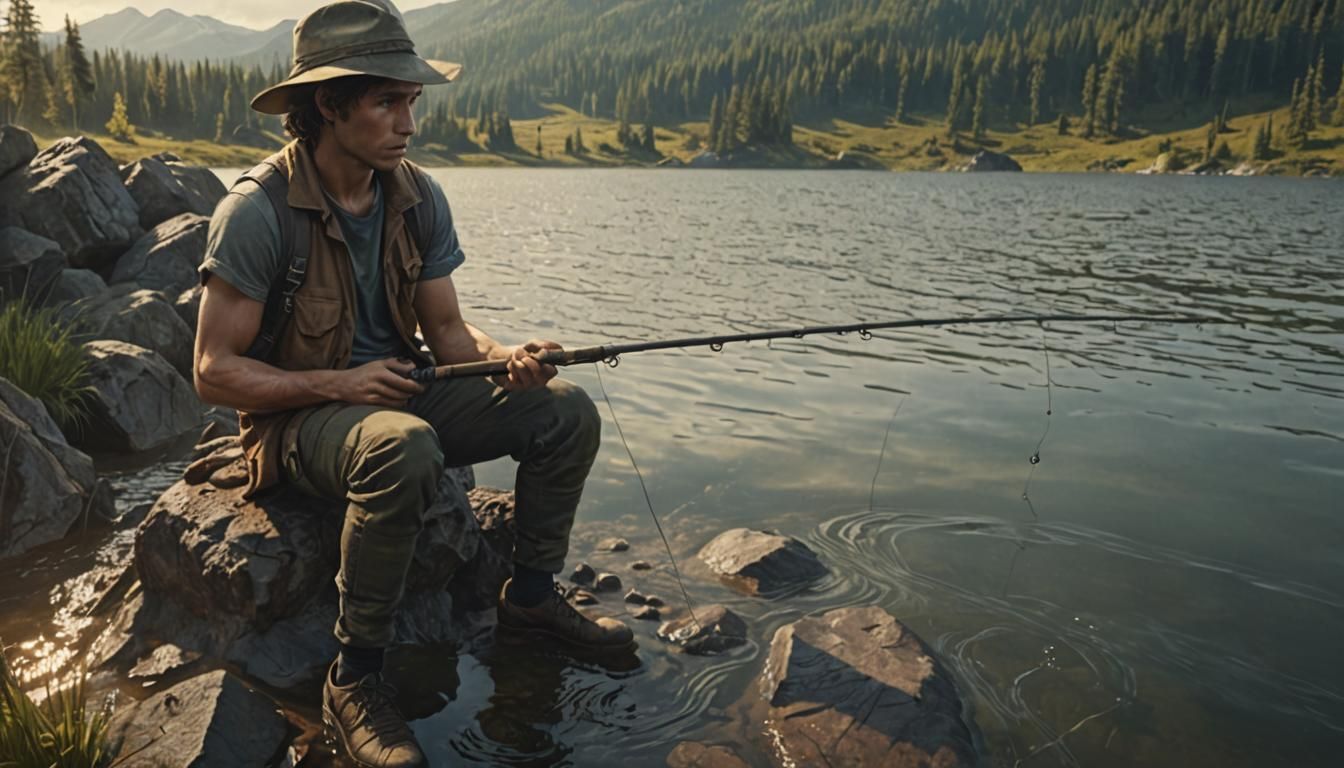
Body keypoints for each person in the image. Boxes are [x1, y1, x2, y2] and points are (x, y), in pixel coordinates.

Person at [192, 2, 633, 765]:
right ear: (328, 106)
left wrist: (511, 358)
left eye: (412, 102)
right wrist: (343, 381)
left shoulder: (417, 194)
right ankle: (354, 679)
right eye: (387, 101)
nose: (408, 122)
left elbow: (450, 337)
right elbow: (213, 373)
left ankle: (527, 600)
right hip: (298, 421)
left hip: (397, 393)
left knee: (563, 412)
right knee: (406, 447)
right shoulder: (256, 213)